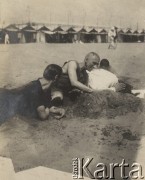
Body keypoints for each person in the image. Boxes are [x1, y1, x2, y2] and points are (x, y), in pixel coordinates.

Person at [0, 64, 65, 123]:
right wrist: (47, 108)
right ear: (56, 77)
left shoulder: (45, 87)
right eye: (60, 77)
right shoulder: (36, 90)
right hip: (5, 103)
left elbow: (48, 105)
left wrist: (59, 110)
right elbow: (43, 116)